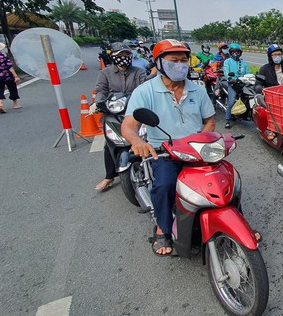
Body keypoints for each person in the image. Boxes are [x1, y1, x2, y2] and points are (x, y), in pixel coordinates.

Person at [121, 39, 216, 256]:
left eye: (184, 60)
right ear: (160, 63)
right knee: (165, 185)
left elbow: (209, 120)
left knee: (224, 177)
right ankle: (162, 227)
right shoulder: (145, 91)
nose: (181, 64)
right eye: (174, 60)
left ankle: (236, 217)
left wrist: (202, 138)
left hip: (196, 149)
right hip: (164, 151)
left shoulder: (198, 90)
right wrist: (137, 141)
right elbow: (129, 125)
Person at [94, 42, 148, 191]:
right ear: (113, 57)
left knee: (151, 136)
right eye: (120, 55)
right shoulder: (105, 73)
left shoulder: (138, 72)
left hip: (136, 112)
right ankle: (109, 177)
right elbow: (100, 90)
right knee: (110, 144)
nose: (124, 58)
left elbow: (144, 87)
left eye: (127, 55)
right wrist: (100, 102)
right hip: (114, 113)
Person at [222, 43, 250, 129]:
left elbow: (248, 72)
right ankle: (227, 120)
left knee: (250, 97)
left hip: (242, 83)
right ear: (230, 52)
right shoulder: (227, 62)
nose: (236, 53)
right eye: (233, 51)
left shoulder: (243, 63)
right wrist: (230, 78)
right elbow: (226, 72)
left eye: (237, 52)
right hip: (233, 84)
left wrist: (250, 78)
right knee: (231, 102)